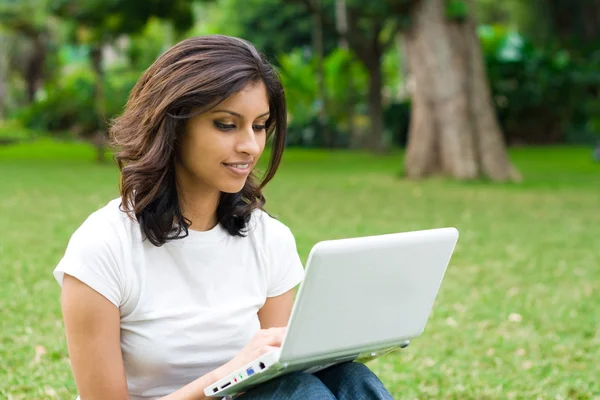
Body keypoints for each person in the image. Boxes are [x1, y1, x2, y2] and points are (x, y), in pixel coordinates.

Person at [54, 35, 393, 400]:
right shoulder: (103, 247)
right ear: (174, 126)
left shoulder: (268, 239)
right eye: (226, 125)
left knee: (350, 379)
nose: (250, 145)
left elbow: (281, 374)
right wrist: (223, 376)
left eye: (260, 125)